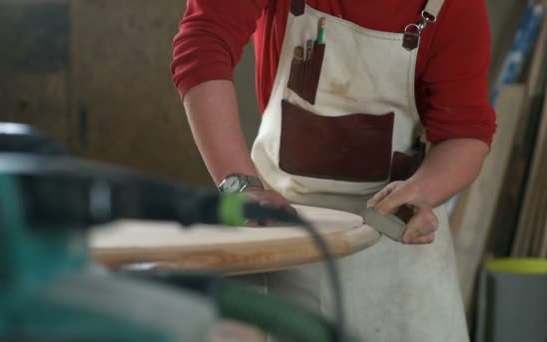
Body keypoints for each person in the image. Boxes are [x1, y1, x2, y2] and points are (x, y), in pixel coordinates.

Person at [171, 0, 496, 340]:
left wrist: (426, 189)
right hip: (278, 226)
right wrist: (241, 185)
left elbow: (465, 134)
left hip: (393, 240)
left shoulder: (454, 6)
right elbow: (203, 42)